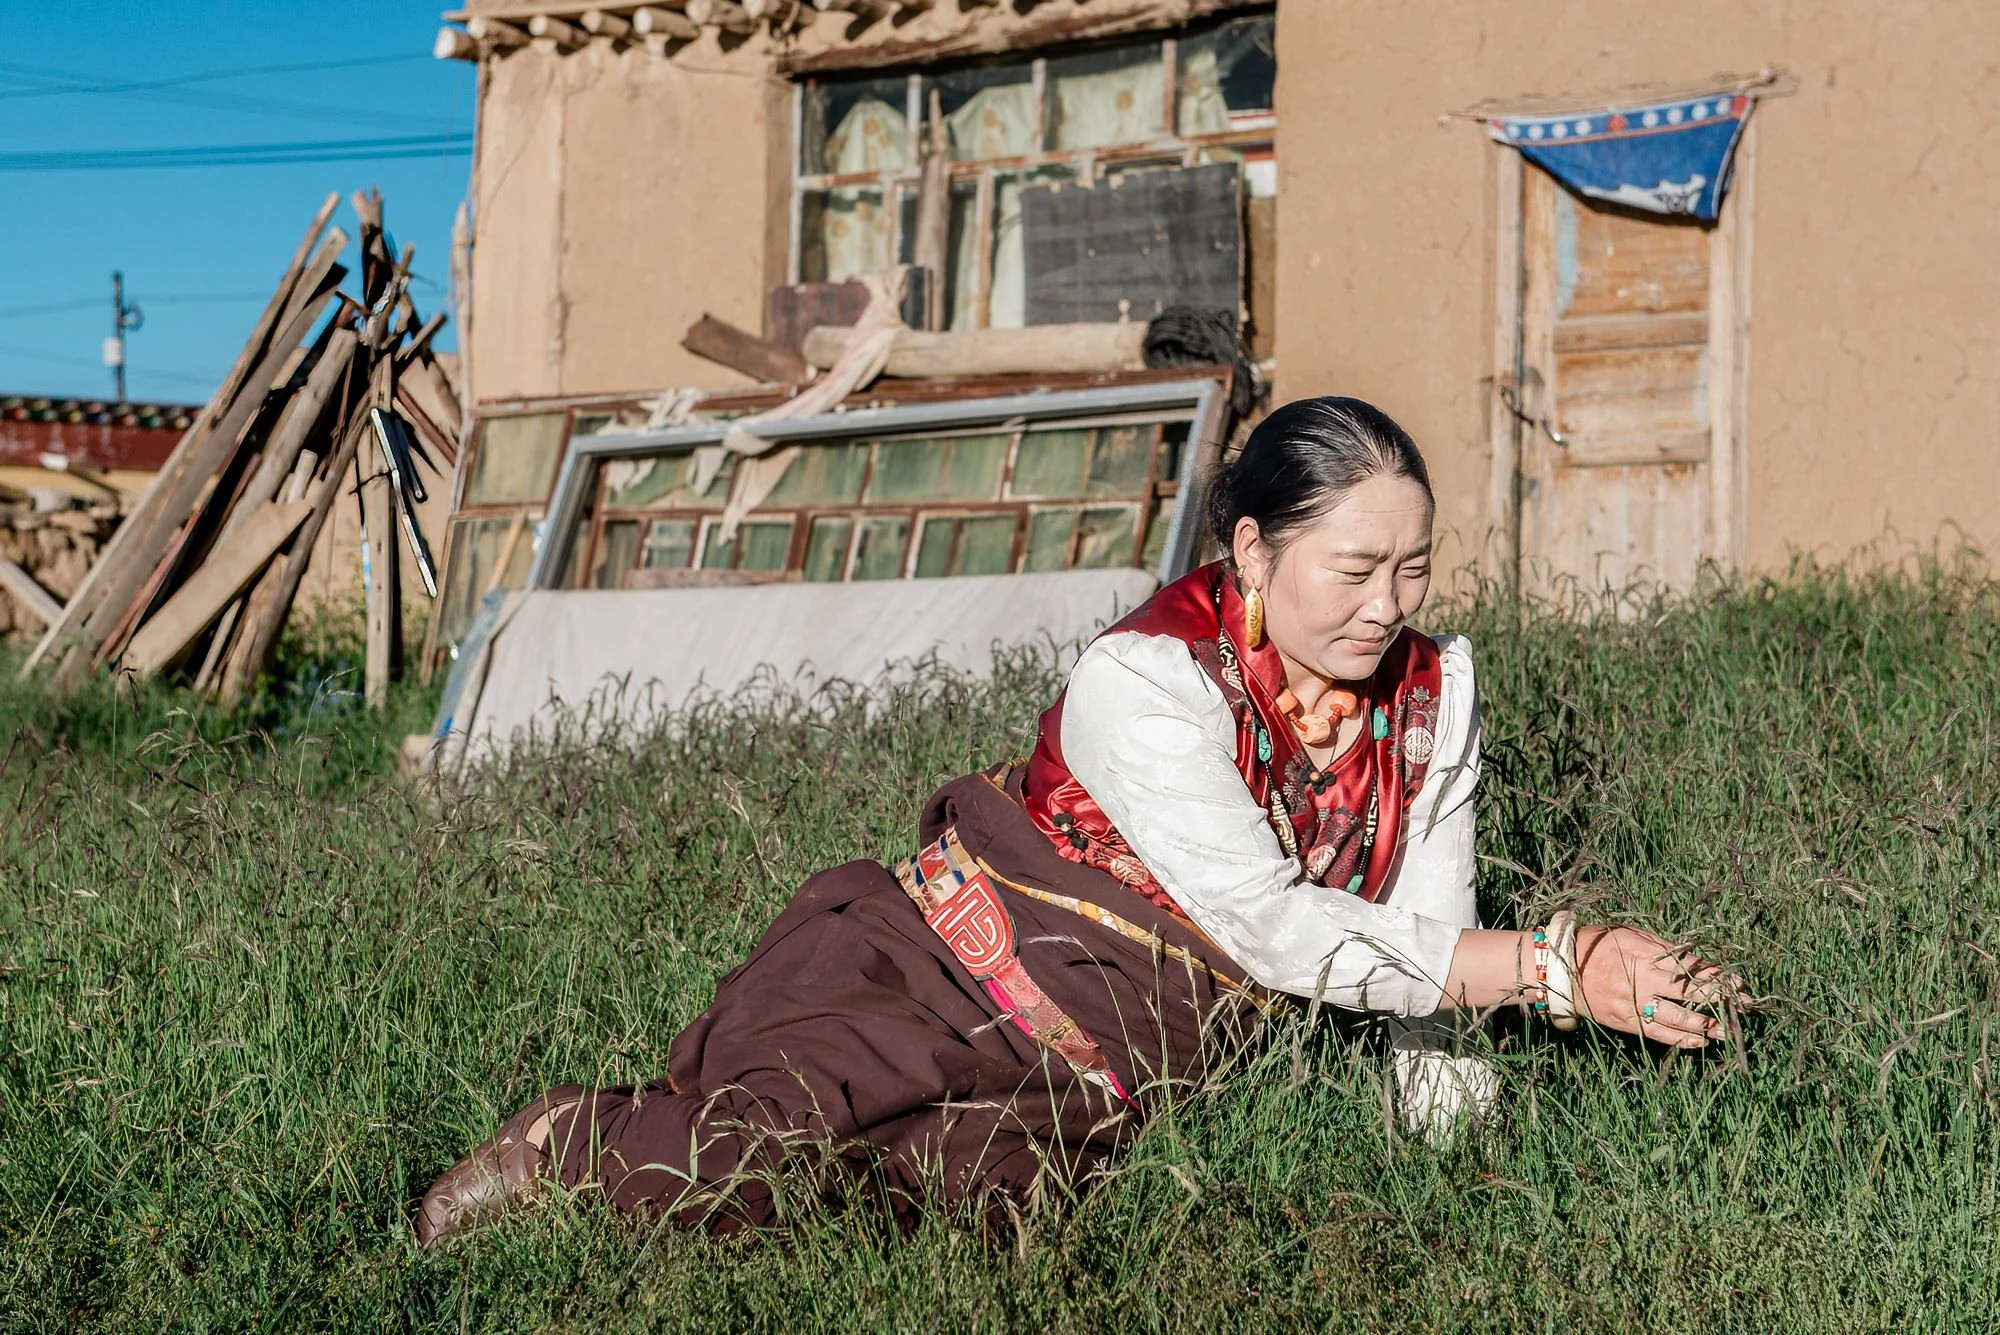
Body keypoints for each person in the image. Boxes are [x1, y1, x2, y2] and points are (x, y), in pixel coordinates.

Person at [416, 396, 1744, 1247]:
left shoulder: (1434, 692)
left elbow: (1426, 927)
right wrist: (1562, 967)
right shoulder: (1146, 679)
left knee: (918, 1215)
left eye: (1414, 569)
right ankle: (565, 1143)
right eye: (1353, 569)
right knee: (755, 1154)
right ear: (1251, 551)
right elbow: (1273, 928)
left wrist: (1451, 1174)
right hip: (944, 973)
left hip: (1102, 1076)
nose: (1387, 605)